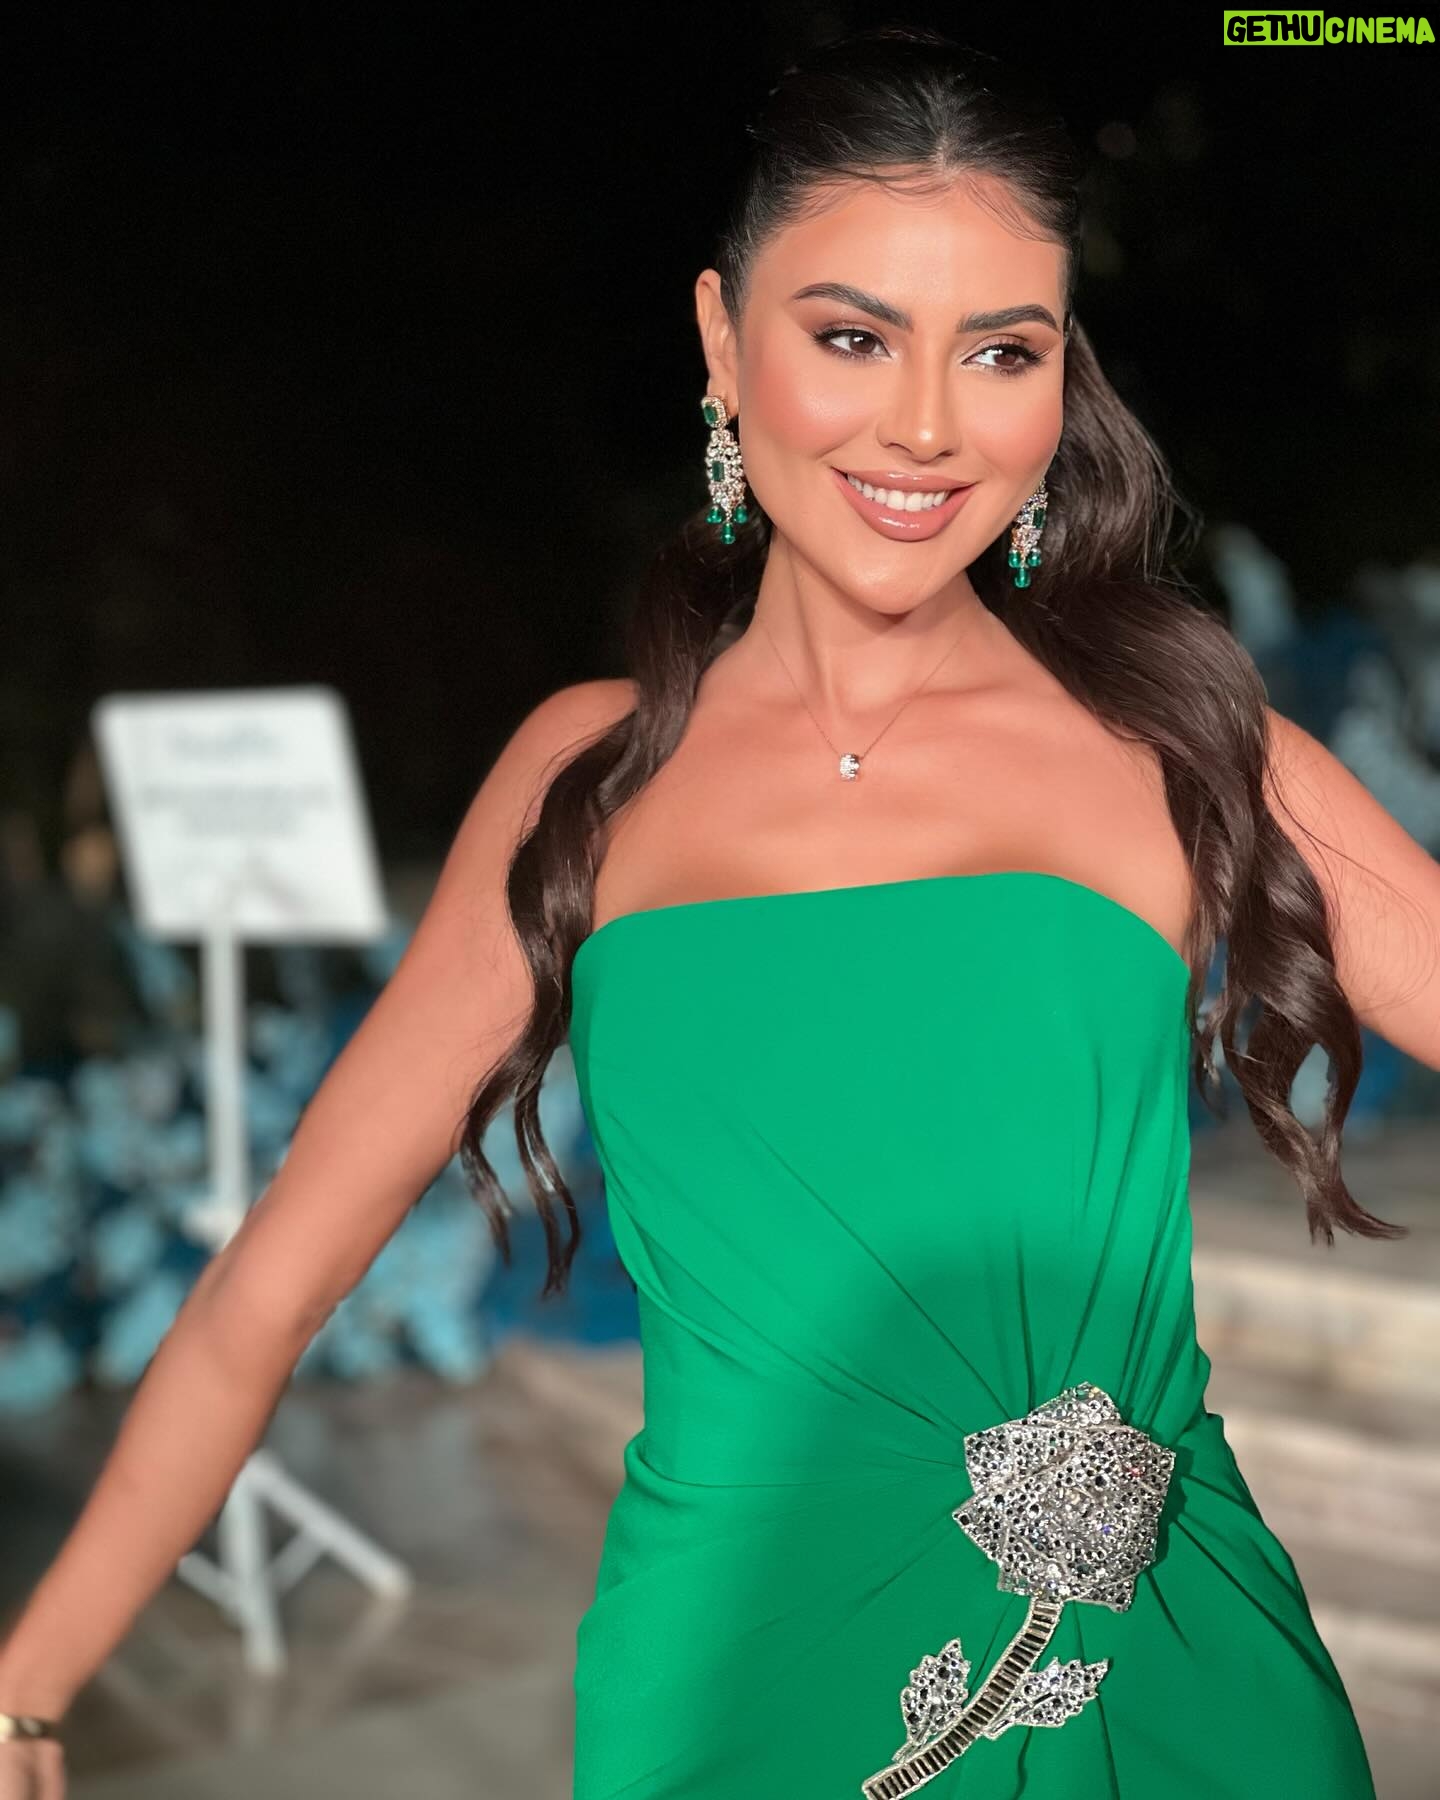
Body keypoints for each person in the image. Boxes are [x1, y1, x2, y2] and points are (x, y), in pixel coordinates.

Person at [2, 24, 1436, 1799]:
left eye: (1002, 351)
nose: (927, 424)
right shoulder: (587, 783)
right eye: (853, 336)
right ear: (720, 341)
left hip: (1164, 1692)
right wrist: (28, 1686)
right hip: (731, 1693)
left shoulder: (1189, 740)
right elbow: (269, 1288)